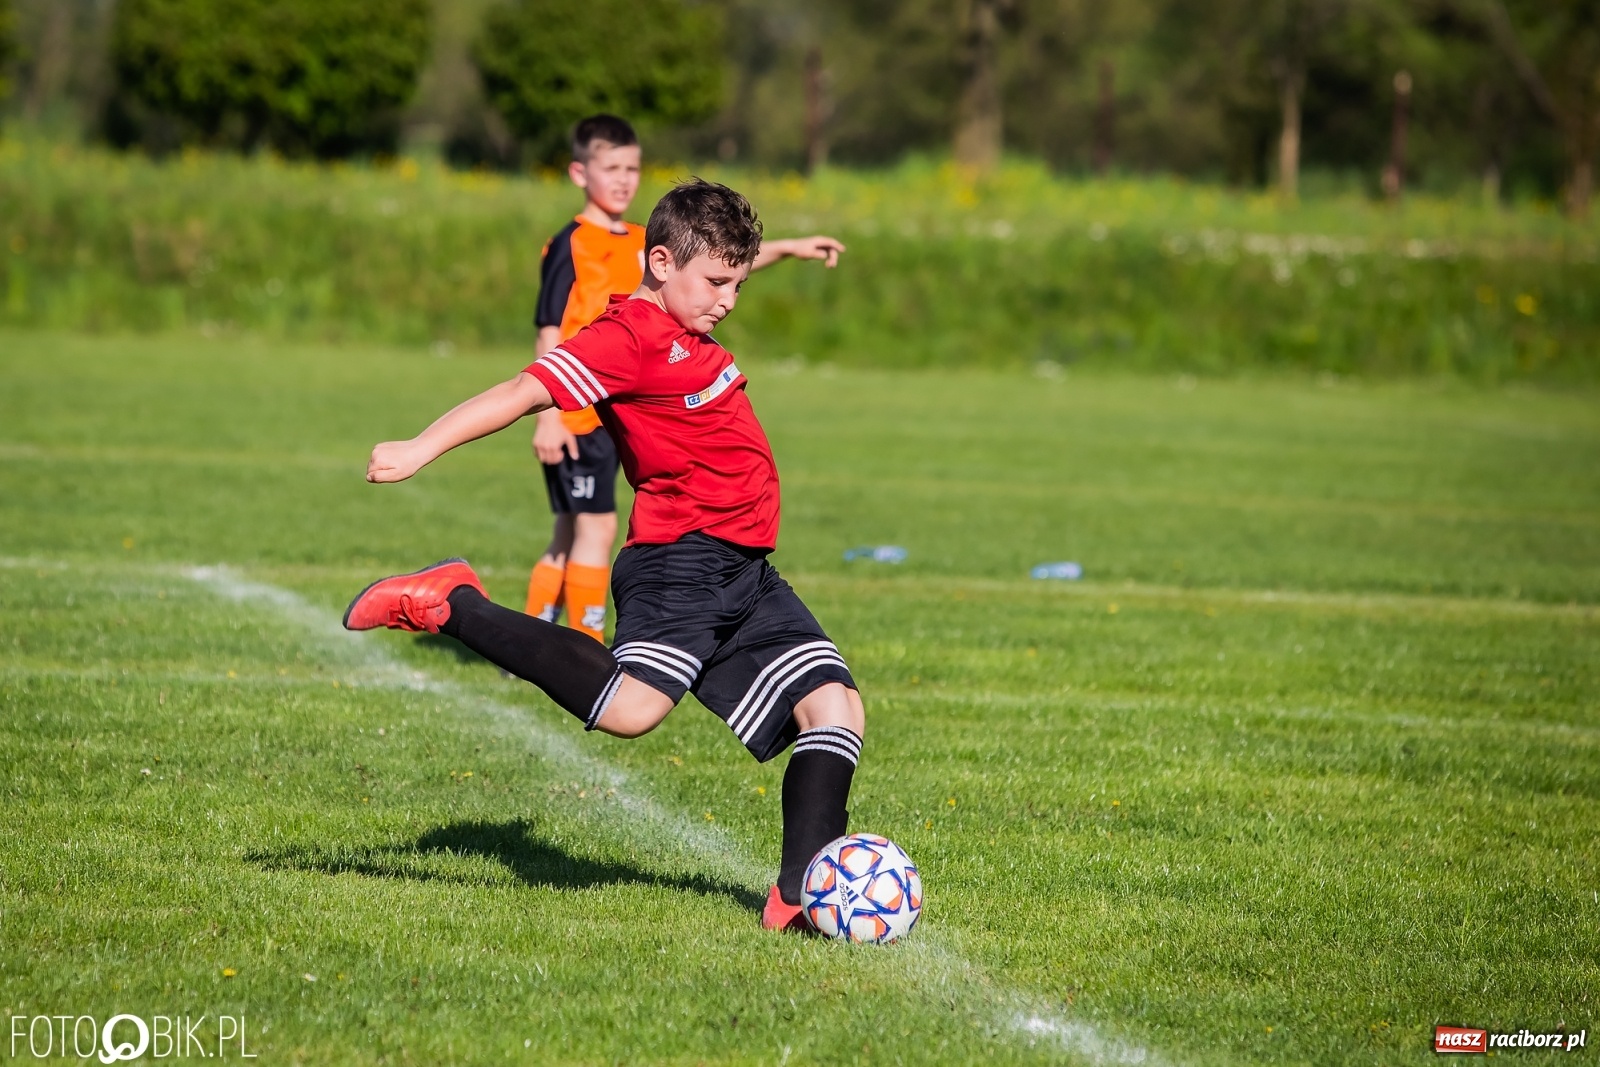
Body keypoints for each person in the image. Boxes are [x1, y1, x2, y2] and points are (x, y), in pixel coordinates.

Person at [345, 179, 862, 933]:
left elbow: (718, 278)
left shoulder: (688, 322)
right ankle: (454, 602)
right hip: (680, 562)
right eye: (716, 282)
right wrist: (420, 446)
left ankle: (798, 895)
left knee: (836, 710)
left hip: (745, 570)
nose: (727, 300)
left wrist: (773, 252)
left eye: (737, 284)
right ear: (660, 262)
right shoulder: (626, 338)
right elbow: (525, 389)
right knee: (630, 710)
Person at [526, 114, 846, 643]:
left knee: (574, 528)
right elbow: (548, 328)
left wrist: (786, 249)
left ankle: (543, 638)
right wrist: (553, 417)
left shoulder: (637, 240)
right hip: (577, 409)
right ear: (579, 173)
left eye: (634, 167)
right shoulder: (571, 244)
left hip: (627, 409)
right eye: (613, 167)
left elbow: (710, 267)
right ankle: (577, 647)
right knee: (591, 528)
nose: (626, 179)